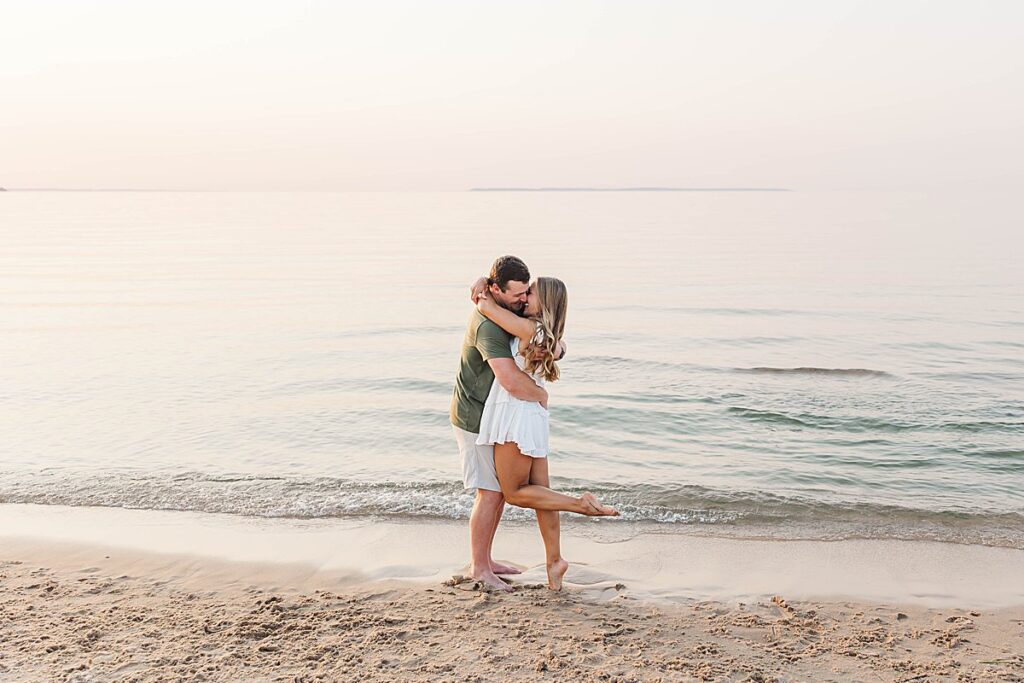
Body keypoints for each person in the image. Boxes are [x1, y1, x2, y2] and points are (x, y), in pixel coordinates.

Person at [473, 275, 618, 591]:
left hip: (516, 414)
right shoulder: (549, 336)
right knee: (542, 494)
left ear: (546, 302)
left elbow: (486, 306)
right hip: (533, 415)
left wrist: (484, 285)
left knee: (514, 493)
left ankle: (581, 504)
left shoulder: (530, 329)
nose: (525, 297)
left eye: (532, 293)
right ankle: (555, 561)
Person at [450, 256, 548, 591]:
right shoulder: (489, 325)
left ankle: (486, 559)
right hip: (474, 416)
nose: (523, 300)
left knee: (500, 493)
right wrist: (540, 396)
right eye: (516, 294)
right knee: (489, 492)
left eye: (526, 293)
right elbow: (509, 380)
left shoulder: (506, 307)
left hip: (495, 416)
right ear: (496, 290)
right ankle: (479, 568)